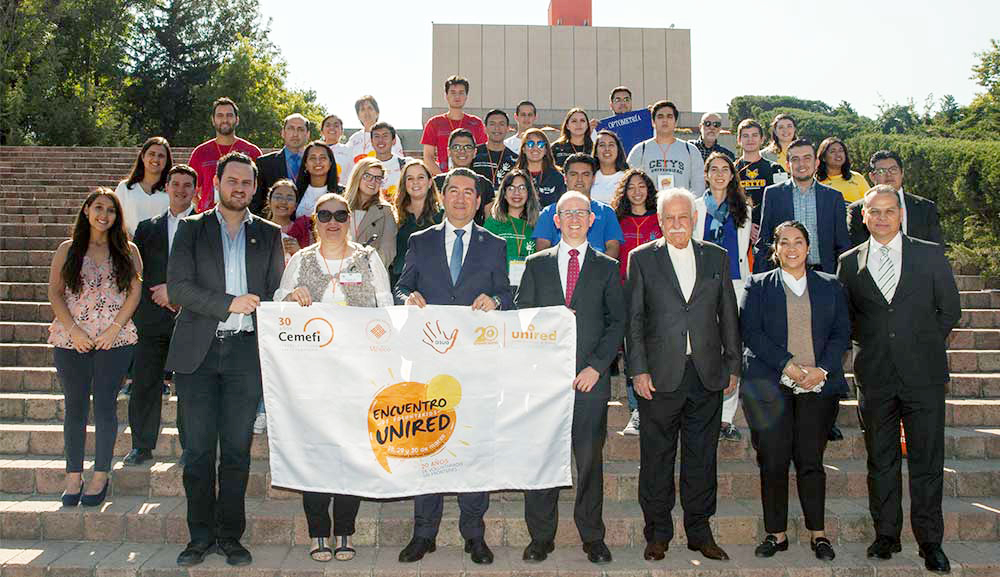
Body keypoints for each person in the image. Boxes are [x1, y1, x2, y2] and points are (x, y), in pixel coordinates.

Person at [167, 151, 285, 568]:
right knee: (198, 452)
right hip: (197, 354)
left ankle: (230, 537)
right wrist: (228, 303)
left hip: (244, 356)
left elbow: (273, 297)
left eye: (247, 182)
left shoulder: (270, 235)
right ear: (216, 183)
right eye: (231, 180)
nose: (239, 188)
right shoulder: (190, 229)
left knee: (236, 452)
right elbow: (178, 288)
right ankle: (199, 537)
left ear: (255, 187)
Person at [837, 185, 961, 574]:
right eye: (875, 211)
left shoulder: (929, 254)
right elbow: (847, 319)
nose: (883, 218)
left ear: (901, 214)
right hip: (874, 377)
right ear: (863, 216)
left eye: (890, 210)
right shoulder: (849, 262)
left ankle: (930, 542)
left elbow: (950, 310)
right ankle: (886, 535)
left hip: (922, 376)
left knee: (926, 461)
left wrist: (919, 345)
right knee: (881, 460)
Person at [394, 167, 513, 566]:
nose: (461, 198)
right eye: (454, 191)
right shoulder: (420, 240)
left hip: (477, 366)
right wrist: (407, 297)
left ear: (479, 202)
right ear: (441, 196)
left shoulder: (494, 244)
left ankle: (473, 534)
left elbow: (506, 293)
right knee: (427, 445)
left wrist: (496, 302)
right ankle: (423, 533)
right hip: (429, 364)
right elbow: (401, 285)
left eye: (469, 193)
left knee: (472, 447)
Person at [274, 192, 393, 562]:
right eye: (324, 214)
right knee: (315, 455)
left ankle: (344, 530)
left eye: (340, 214)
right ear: (314, 221)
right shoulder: (300, 260)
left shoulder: (368, 258)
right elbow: (278, 302)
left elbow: (386, 307)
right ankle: (317, 532)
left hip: (357, 374)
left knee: (350, 454)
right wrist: (291, 297)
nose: (333, 221)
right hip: (311, 377)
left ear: (349, 220)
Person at [626, 188, 741, 563]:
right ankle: (657, 533)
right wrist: (638, 370)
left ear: (694, 220)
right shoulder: (641, 259)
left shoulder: (716, 257)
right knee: (656, 458)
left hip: (706, 374)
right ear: (660, 221)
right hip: (659, 377)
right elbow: (635, 321)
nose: (677, 225)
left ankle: (699, 532)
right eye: (669, 218)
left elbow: (729, 316)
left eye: (683, 218)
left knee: (701, 458)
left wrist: (733, 366)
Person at [516, 191, 626, 565]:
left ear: (592, 220)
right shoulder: (536, 264)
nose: (575, 218)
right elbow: (523, 321)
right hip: (544, 383)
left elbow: (617, 323)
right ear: (556, 221)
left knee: (589, 461)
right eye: (567, 213)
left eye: (582, 212)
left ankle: (592, 537)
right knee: (542, 457)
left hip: (590, 381)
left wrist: (597, 366)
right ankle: (540, 538)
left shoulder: (608, 267)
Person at [741, 221, 850, 562]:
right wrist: (788, 365)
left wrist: (822, 369)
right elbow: (751, 333)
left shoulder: (830, 285)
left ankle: (818, 534)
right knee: (773, 461)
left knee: (810, 461)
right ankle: (777, 534)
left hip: (818, 385)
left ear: (808, 247)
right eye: (784, 242)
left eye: (798, 241)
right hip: (771, 386)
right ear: (774, 248)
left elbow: (841, 333)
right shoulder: (758, 285)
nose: (791, 248)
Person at [48, 189, 142, 508]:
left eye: (111, 210)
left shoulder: (128, 250)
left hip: (114, 340)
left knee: (104, 405)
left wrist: (114, 329)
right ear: (87, 210)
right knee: (74, 406)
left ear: (117, 216)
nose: (105, 214)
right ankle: (73, 475)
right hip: (70, 339)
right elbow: (55, 293)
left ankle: (101, 473)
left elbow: (134, 293)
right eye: (98, 207)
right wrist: (74, 331)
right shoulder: (68, 249)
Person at [124, 165, 196, 467]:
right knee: (144, 383)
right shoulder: (146, 227)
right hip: (152, 317)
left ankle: (191, 447)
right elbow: (138, 272)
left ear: (196, 190)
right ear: (166, 187)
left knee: (191, 388)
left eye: (187, 185)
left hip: (193, 317)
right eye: (175, 184)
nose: (180, 190)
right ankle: (142, 445)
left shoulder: (208, 225)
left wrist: (181, 296)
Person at [693, 152, 752, 442]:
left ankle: (726, 418)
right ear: (705, 174)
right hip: (700, 285)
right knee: (704, 344)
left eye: (724, 169)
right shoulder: (693, 208)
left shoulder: (744, 209)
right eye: (713, 169)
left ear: (732, 175)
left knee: (731, 346)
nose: (719, 174)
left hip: (735, 283)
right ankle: (704, 411)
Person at [611, 169, 661, 437]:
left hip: (656, 294)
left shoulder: (660, 219)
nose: (637, 191)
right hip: (626, 292)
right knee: (632, 348)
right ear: (624, 192)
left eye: (642, 186)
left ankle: (655, 403)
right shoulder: (618, 221)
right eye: (631, 187)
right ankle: (635, 409)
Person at [755, 139, 850, 275]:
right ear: (787, 165)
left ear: (816, 163)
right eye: (795, 159)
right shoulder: (772, 194)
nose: (801, 164)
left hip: (825, 274)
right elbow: (764, 241)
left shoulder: (833, 198)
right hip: (784, 274)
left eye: (807, 158)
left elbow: (843, 244)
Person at [533, 153, 623, 258]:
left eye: (585, 174)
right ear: (565, 178)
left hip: (596, 271)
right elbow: (542, 250)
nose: (579, 179)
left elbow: (613, 248)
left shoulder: (607, 212)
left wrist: (596, 269)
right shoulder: (549, 212)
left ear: (593, 178)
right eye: (574, 174)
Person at [846, 150, 943, 247]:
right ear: (872, 177)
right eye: (881, 171)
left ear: (902, 173)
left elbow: (936, 248)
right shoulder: (857, 210)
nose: (888, 175)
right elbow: (856, 249)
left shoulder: (926, 208)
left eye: (893, 169)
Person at [188, 97, 262, 212]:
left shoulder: (252, 152)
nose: (225, 119)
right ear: (213, 120)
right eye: (220, 115)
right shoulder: (200, 152)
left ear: (237, 120)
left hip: (242, 218)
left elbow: (260, 190)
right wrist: (202, 206)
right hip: (209, 219)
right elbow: (190, 187)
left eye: (229, 115)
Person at [627, 100, 705, 196]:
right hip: (650, 209)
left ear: (675, 122)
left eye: (669, 116)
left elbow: (699, 186)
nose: (665, 120)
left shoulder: (690, 150)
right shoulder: (640, 150)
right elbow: (628, 183)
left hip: (680, 208)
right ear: (653, 122)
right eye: (660, 116)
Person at [483, 168, 539, 286]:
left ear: (529, 193)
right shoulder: (492, 224)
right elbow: (484, 260)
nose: (516, 193)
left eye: (522, 188)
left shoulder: (537, 224)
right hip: (499, 287)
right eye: (511, 188)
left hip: (529, 287)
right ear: (504, 193)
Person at [734, 119, 787, 243]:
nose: (750, 139)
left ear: (762, 139)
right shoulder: (730, 170)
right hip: (739, 230)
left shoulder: (776, 169)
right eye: (745, 136)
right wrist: (747, 226)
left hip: (769, 232)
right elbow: (726, 203)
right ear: (739, 140)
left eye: (755, 135)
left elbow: (782, 203)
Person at [390, 160, 443, 286]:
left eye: (421, 177)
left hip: (432, 283)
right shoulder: (394, 215)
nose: (415, 182)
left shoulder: (443, 216)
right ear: (404, 183)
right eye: (410, 178)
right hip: (399, 282)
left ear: (430, 182)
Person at [421, 75, 487, 175]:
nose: (457, 96)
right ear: (446, 96)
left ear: (466, 96)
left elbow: (481, 154)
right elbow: (428, 157)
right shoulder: (434, 123)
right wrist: (443, 178)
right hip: (442, 178)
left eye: (461, 93)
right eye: (453, 92)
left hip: (470, 179)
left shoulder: (476, 123)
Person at [252, 113, 311, 214]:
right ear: (283, 133)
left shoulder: (315, 164)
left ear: (308, 134)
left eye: (300, 129)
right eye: (291, 128)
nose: (295, 134)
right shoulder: (264, 163)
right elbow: (256, 202)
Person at [113, 136, 173, 236]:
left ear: (167, 160)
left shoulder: (172, 190)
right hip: (130, 246)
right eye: (152, 154)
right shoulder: (124, 188)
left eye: (161, 156)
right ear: (143, 156)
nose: (156, 159)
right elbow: (115, 219)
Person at [432, 128, 495, 224]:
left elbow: (490, 222)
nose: (462, 151)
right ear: (449, 151)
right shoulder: (436, 183)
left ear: (475, 152)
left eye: (468, 147)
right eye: (456, 147)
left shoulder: (485, 184)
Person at [344, 157, 397, 268]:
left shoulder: (385, 211)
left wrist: (364, 270)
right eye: (367, 176)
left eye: (378, 178)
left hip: (372, 276)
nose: (373, 182)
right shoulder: (340, 207)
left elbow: (388, 252)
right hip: (340, 273)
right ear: (357, 177)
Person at [514, 128, 565, 207]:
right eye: (530, 144)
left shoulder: (557, 177)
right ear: (523, 149)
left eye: (540, 144)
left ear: (545, 150)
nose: (535, 148)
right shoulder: (514, 176)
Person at [345, 95, 404, 165]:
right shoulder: (354, 139)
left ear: (377, 113)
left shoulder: (389, 136)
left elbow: (399, 163)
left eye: (370, 108)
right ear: (358, 116)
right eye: (362, 109)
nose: (366, 112)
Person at [264, 179, 312, 260]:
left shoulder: (304, 229)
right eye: (278, 196)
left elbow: (312, 264)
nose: (283, 201)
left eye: (290, 198)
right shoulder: (260, 229)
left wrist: (298, 251)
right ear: (269, 201)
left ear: (295, 206)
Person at [294, 140, 341, 220]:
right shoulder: (295, 192)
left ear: (330, 163)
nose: (318, 162)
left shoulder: (342, 193)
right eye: (312, 158)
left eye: (323, 158)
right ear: (305, 164)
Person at [473, 108, 518, 189]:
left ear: (508, 128)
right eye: (492, 124)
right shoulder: (473, 154)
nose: (497, 128)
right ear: (485, 128)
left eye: (501, 124)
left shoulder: (515, 159)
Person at [816, 137, 868, 204]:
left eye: (841, 151)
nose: (838, 155)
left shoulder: (857, 177)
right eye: (833, 151)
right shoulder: (816, 181)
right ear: (823, 157)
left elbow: (870, 202)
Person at [370, 121, 407, 200]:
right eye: (376, 136)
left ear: (393, 141)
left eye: (385, 136)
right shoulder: (364, 166)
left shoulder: (406, 164)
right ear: (371, 141)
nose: (381, 140)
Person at [591, 130, 627, 205]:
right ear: (596, 152)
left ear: (618, 150)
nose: (607, 149)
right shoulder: (589, 177)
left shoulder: (627, 178)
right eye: (602, 145)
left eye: (611, 145)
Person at [320, 114, 354, 186]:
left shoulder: (349, 152)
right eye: (328, 125)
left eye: (336, 126)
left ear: (342, 131)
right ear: (321, 131)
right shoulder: (315, 150)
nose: (332, 128)